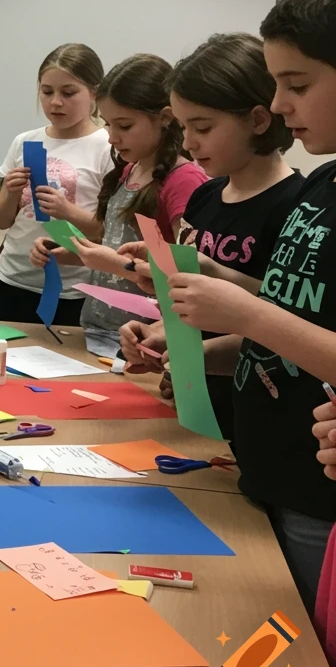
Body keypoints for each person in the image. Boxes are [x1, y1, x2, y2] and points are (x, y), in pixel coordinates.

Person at [163, 0, 336, 618]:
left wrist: (242, 308)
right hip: (263, 464)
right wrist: (223, 287)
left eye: (297, 85)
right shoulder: (324, 188)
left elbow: (282, 325)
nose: (284, 105)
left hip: (316, 492)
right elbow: (293, 318)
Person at [120, 33, 302, 449]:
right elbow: (194, 312)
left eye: (202, 127)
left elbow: (285, 327)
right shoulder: (205, 195)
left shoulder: (295, 207)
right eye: (183, 128)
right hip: (189, 411)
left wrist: (197, 356)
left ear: (259, 120)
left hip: (255, 425)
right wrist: (159, 336)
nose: (187, 143)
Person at [32, 54, 207, 354]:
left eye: (124, 126)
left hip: (147, 340)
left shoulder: (183, 181)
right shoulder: (129, 170)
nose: (112, 137)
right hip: (99, 330)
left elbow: (187, 277)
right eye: (109, 124)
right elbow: (117, 245)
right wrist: (75, 254)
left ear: (165, 119)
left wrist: (113, 263)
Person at [0, 43, 111, 324]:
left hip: (74, 289)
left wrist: (67, 211)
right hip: (14, 279)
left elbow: (109, 232)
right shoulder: (25, 141)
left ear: (94, 92)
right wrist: (10, 192)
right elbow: (1, 220)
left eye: (68, 93)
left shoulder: (107, 146)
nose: (56, 102)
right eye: (47, 92)